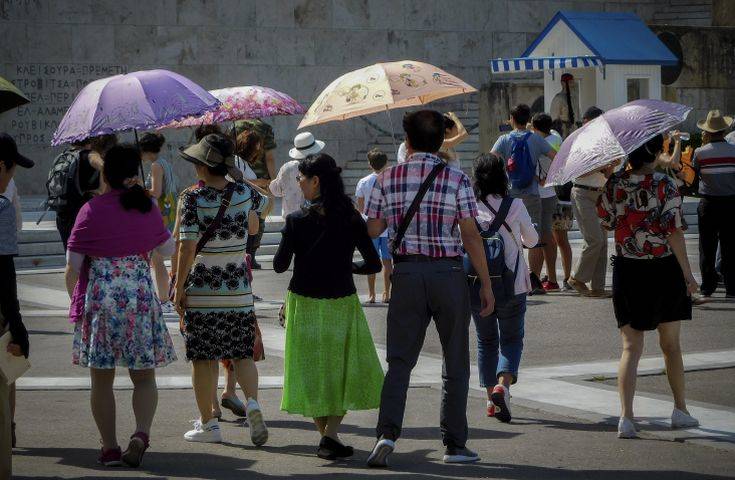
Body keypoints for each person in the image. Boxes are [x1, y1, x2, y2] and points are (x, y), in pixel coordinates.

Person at [365, 110, 495, 467]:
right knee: (455, 359)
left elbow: (373, 229)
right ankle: (454, 445)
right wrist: (485, 283)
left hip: (405, 276)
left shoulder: (385, 177)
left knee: (399, 361)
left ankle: (386, 434)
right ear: (441, 142)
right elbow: (470, 234)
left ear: (406, 142)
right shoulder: (456, 177)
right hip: (448, 273)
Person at [65, 144, 176, 467]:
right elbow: (167, 249)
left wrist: (79, 306)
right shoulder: (147, 207)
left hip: (101, 302)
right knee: (144, 377)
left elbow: (72, 266)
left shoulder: (90, 210)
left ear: (105, 174)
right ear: (134, 174)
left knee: (102, 380)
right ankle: (140, 434)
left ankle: (110, 447)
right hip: (140, 299)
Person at [274, 153, 384, 460]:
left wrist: (291, 240)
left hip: (304, 305)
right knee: (342, 370)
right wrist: (348, 267)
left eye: (301, 179)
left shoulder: (296, 221)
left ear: (315, 181)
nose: (298, 183)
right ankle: (330, 437)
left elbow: (280, 266)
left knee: (312, 373)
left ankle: (328, 436)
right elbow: (373, 264)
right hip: (341, 303)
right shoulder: (350, 217)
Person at [597, 135, 700, 438]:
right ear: (656, 153)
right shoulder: (664, 184)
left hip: (628, 269)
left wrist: (611, 181)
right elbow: (674, 232)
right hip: (663, 270)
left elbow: (606, 222)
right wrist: (689, 275)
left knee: (631, 347)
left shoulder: (615, 183)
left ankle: (626, 418)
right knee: (670, 346)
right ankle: (680, 409)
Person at [173, 134, 268, 446]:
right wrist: (241, 179)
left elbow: (186, 247)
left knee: (204, 359)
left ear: (202, 167)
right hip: (238, 289)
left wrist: (178, 286)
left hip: (202, 290)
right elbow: (265, 205)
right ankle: (252, 403)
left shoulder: (191, 198)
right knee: (242, 355)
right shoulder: (243, 193)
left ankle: (209, 424)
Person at [470, 153, 538, 422]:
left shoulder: (470, 207)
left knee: (486, 341)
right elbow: (531, 241)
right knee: (511, 339)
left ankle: (490, 400)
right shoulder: (515, 204)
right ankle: (503, 386)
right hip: (512, 285)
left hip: (476, 284)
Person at [491, 104, 556, 295]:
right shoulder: (536, 139)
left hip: (510, 194)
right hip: (532, 194)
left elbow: (491, 160)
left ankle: (510, 276)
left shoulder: (504, 139)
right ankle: (534, 279)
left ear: (512, 118)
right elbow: (556, 156)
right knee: (533, 235)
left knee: (509, 234)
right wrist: (544, 177)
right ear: (528, 119)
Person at [0, 133, 33, 479]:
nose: (12, 176)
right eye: (11, 168)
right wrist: (19, 328)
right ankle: (5, 429)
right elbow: (4, 274)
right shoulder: (2, 209)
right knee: (4, 372)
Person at [567, 106, 613, 298]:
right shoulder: (579, 141)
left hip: (600, 193)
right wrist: (603, 165)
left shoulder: (604, 141)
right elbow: (576, 171)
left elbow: (607, 173)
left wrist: (611, 165)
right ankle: (577, 278)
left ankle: (598, 287)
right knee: (594, 239)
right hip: (583, 193)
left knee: (602, 242)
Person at [691, 110, 735, 298]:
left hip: (708, 204)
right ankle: (732, 288)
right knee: (730, 246)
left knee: (707, 247)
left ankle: (708, 287)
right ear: (724, 131)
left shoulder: (700, 153)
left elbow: (694, 178)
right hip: (732, 204)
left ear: (708, 132)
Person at [51, 134, 117, 249]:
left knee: (70, 253)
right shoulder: (91, 155)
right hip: (85, 213)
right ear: (89, 141)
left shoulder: (63, 156)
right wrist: (102, 190)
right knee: (87, 256)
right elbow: (106, 167)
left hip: (63, 213)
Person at [140, 132, 177, 313]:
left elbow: (156, 191)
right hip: (169, 211)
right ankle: (164, 297)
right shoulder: (165, 163)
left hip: (159, 214)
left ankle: (163, 299)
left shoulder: (155, 165)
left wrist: (140, 188)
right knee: (158, 259)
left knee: (157, 259)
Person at [234, 119, 277, 269]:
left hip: (249, 188)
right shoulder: (265, 127)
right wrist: (271, 182)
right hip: (256, 187)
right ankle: (250, 255)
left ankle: (248, 255)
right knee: (257, 224)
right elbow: (270, 158)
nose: (259, 149)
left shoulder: (234, 126)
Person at [355, 148, 393, 303]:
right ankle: (387, 293)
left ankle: (371, 294)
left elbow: (361, 207)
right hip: (388, 227)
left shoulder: (364, 182)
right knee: (388, 262)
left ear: (370, 164)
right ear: (386, 163)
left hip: (370, 227)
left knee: (371, 261)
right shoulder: (391, 179)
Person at [530, 113, 562, 291]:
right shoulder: (556, 137)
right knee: (546, 235)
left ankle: (547, 279)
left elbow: (540, 175)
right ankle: (550, 277)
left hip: (540, 193)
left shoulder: (540, 143)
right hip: (551, 193)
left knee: (541, 237)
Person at [270, 132, 325, 217]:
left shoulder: (287, 167)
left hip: (291, 217)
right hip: (314, 216)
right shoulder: (320, 165)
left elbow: (276, 191)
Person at [397, 112, 466, 168]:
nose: (457, 131)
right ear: (447, 130)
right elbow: (463, 134)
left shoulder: (447, 146)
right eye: (455, 128)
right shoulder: (438, 143)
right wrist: (454, 116)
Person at [549, 73, 579, 138]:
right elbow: (554, 120)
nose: (572, 85)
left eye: (572, 82)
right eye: (570, 82)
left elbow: (577, 115)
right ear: (563, 83)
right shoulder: (558, 99)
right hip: (562, 133)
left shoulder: (574, 98)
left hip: (573, 131)